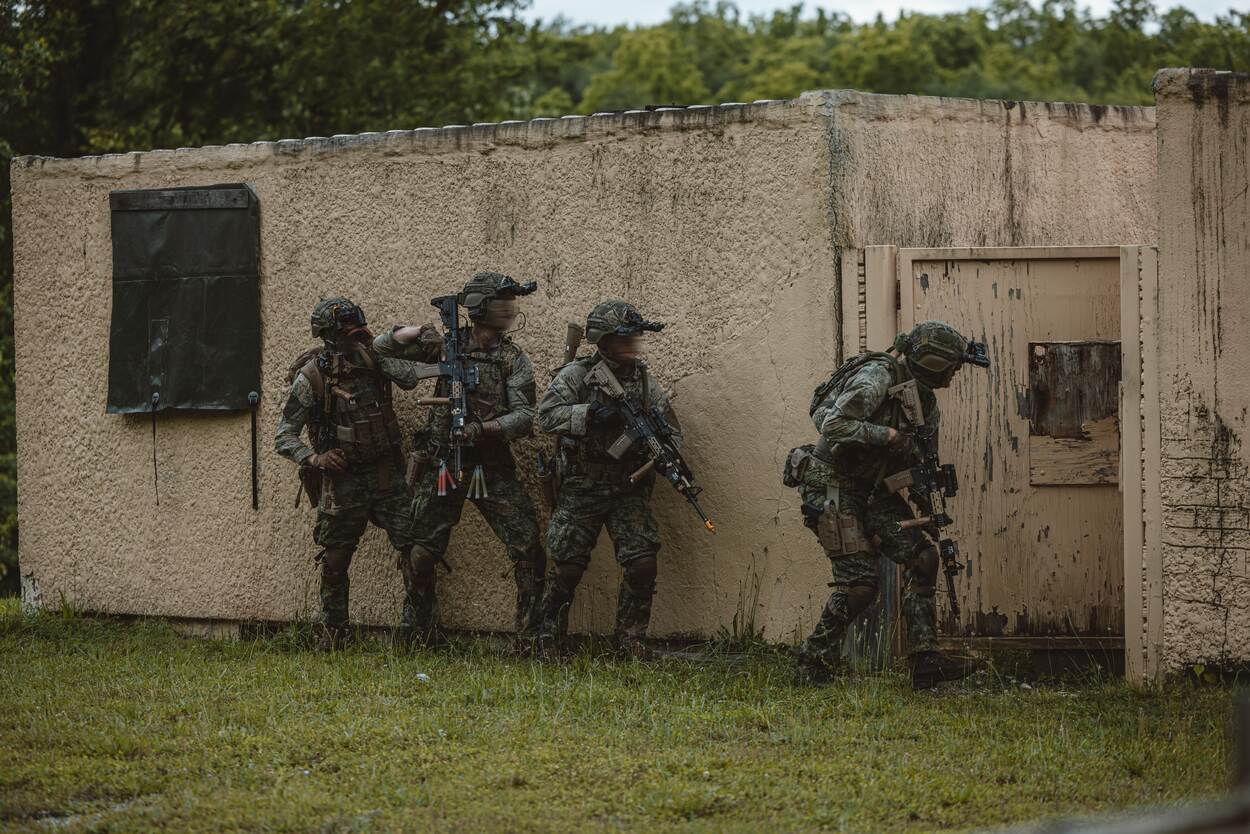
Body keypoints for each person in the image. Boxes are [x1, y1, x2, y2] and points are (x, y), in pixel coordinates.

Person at [792, 320, 985, 690]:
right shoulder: (877, 376)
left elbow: (916, 460)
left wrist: (926, 501)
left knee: (924, 558)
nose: (954, 372)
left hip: (872, 490)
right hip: (831, 485)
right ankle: (812, 661)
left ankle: (925, 661)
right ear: (932, 361)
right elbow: (833, 425)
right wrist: (890, 436)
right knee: (860, 585)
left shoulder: (925, 401)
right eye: (952, 365)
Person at [374, 272, 544, 648]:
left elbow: (524, 416)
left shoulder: (512, 359)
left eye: (511, 305)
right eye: (502, 304)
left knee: (528, 548)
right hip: (442, 464)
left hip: (489, 466)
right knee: (419, 551)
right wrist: (415, 331)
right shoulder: (444, 348)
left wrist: (484, 429)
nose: (510, 312)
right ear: (480, 309)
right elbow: (380, 352)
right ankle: (420, 635)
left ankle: (533, 641)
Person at [534, 299, 680, 659]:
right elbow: (546, 416)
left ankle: (630, 640)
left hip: (626, 486)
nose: (632, 347)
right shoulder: (578, 375)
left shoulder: (644, 381)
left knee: (642, 561)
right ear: (603, 340)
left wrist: (666, 453)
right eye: (624, 340)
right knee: (568, 566)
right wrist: (589, 415)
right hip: (582, 485)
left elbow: (670, 427)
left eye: (635, 339)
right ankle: (546, 636)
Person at [275, 297, 422, 650]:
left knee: (418, 551)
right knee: (336, 559)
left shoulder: (374, 357)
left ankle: (416, 634)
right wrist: (315, 459)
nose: (354, 336)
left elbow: (410, 380)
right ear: (329, 337)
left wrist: (376, 347)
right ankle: (334, 635)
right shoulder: (312, 376)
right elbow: (284, 435)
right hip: (343, 481)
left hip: (386, 474)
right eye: (347, 332)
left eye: (357, 328)